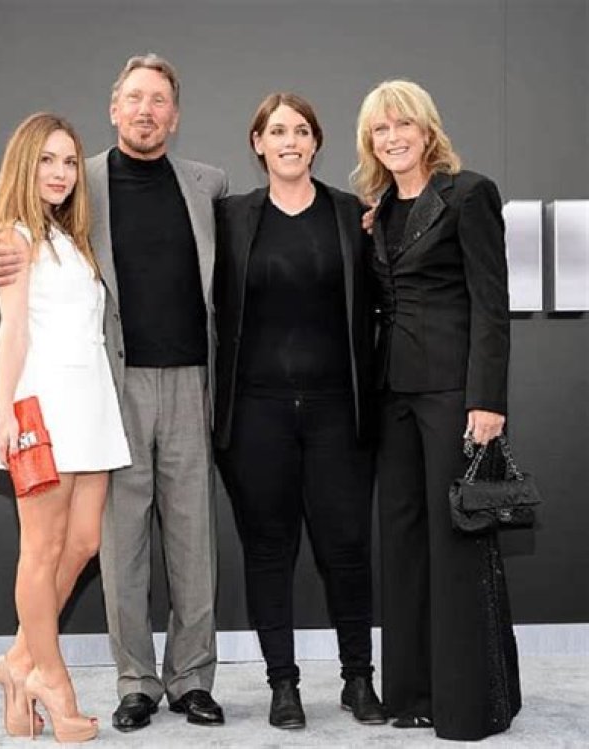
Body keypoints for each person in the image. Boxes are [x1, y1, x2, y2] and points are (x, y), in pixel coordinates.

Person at [0, 54, 228, 732]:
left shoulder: (208, 184)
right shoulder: (78, 181)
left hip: (187, 381)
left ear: (175, 114)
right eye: (134, 97)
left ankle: (192, 678)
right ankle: (135, 681)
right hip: (112, 386)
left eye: (159, 100)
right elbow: (12, 249)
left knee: (188, 540)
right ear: (114, 108)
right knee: (115, 546)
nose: (146, 110)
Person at [352, 79, 521, 741]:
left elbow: (491, 304)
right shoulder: (379, 211)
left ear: (427, 130)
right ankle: (413, 694)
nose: (392, 137)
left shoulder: (469, 194)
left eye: (403, 125)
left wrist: (487, 399)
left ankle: (469, 704)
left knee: (456, 542)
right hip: (392, 395)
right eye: (380, 129)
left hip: (453, 393)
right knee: (401, 543)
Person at [213, 93, 385, 730]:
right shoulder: (230, 217)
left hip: (338, 410)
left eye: (302, 131)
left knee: (347, 547)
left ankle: (359, 680)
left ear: (317, 143)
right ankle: (282, 684)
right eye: (277, 130)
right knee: (268, 549)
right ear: (257, 143)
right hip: (254, 414)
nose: (290, 141)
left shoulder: (353, 215)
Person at [0, 112, 131, 743]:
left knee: (85, 542)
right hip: (42, 406)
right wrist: (3, 410)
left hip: (91, 402)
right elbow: (13, 331)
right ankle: (52, 679)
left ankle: (18, 663)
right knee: (40, 550)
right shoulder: (13, 239)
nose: (61, 173)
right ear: (24, 164)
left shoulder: (71, 237)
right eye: (47, 160)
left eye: (69, 161)